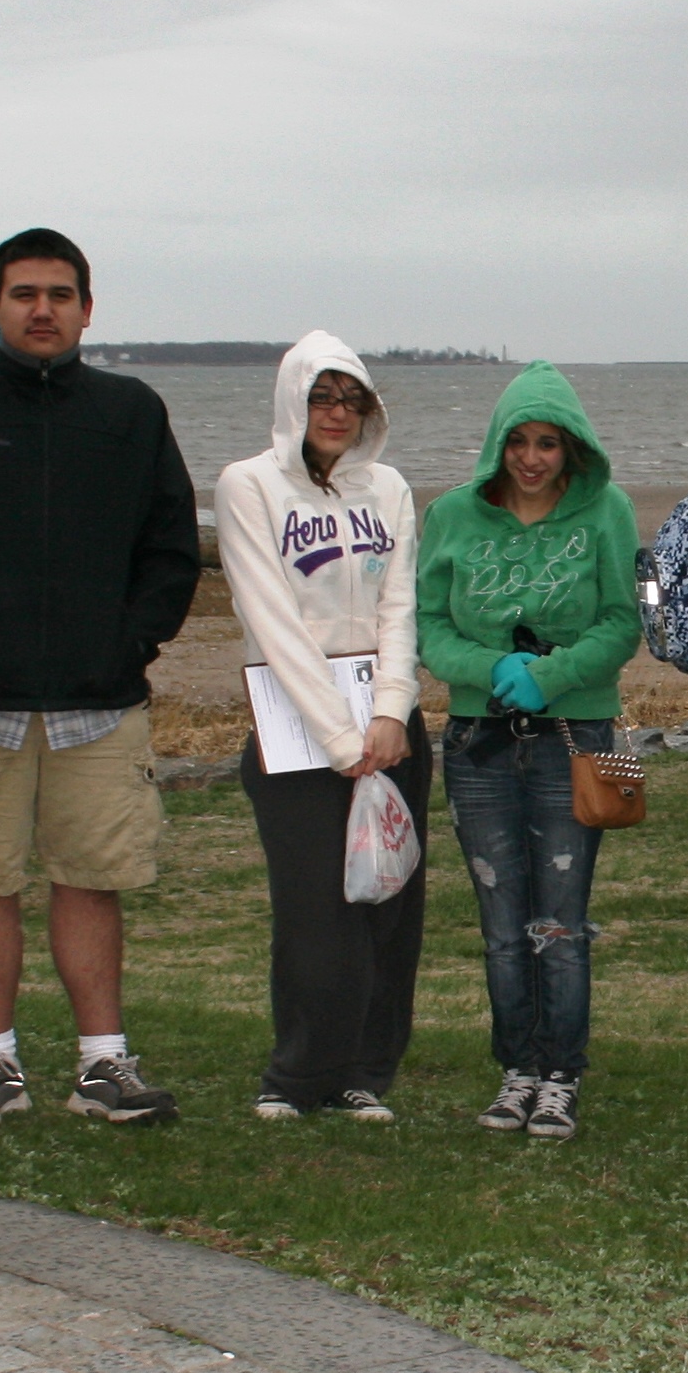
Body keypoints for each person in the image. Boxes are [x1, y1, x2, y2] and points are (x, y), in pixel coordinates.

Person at [0, 227, 203, 1130]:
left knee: (92, 874)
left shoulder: (129, 411)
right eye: (24, 294)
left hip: (97, 703)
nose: (42, 309)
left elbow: (170, 548)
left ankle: (103, 1063)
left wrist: (126, 643)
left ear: (87, 309)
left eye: (60, 294)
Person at [416, 362, 642, 1142]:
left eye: (548, 442)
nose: (532, 457)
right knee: (501, 923)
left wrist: (552, 675)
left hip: (578, 740)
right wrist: (489, 672)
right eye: (517, 441)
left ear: (571, 446)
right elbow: (428, 628)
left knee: (561, 921)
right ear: (496, 444)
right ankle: (515, 1070)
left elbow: (622, 623)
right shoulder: (450, 515)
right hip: (479, 742)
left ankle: (561, 1077)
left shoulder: (607, 510)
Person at [218, 334, 427, 1121]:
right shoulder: (248, 486)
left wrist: (391, 711)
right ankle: (298, 1073)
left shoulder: (390, 489)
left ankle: (364, 1072)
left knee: (387, 907)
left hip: (389, 729)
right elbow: (270, 619)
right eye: (321, 396)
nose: (337, 413)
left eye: (351, 399)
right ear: (292, 400)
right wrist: (341, 741)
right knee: (314, 913)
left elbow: (398, 604)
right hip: (298, 732)